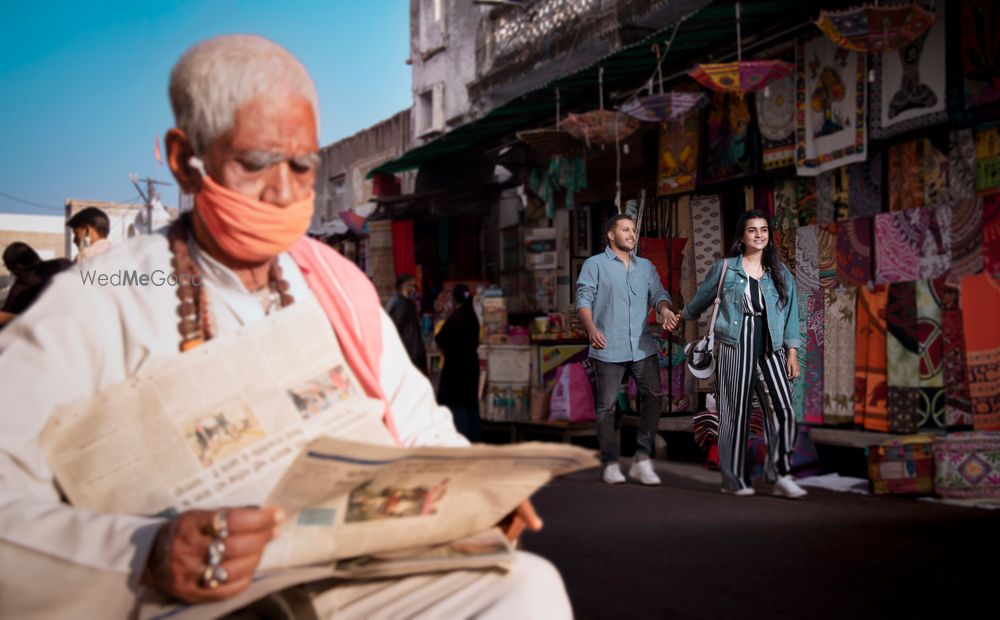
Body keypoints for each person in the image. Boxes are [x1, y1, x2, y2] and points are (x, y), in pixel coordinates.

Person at [0, 35, 571, 618]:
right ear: (183, 160)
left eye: (301, 166)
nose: (282, 191)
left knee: (524, 586)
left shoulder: (335, 288)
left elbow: (419, 427)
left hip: (348, 585)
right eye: (254, 162)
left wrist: (480, 498)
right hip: (186, 601)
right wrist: (146, 553)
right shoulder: (103, 299)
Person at [680, 209, 807, 499]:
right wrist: (679, 315)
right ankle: (734, 477)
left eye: (763, 229)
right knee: (734, 414)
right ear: (741, 236)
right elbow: (699, 302)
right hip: (734, 345)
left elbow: (791, 315)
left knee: (783, 409)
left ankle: (780, 473)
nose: (759, 235)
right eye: (752, 230)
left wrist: (792, 353)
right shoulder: (726, 269)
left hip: (771, 346)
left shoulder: (780, 272)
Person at [576, 214, 680, 485]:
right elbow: (583, 298)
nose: (632, 234)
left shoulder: (645, 267)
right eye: (626, 229)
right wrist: (591, 328)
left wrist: (665, 309)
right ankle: (610, 462)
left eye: (634, 229)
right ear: (611, 235)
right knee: (607, 407)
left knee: (655, 396)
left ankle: (642, 459)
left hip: (642, 345)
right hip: (608, 344)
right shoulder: (594, 264)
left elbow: (658, 293)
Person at [435, 283, 482, 441]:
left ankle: (463, 441)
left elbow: (441, 338)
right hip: (470, 367)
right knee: (471, 405)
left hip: (457, 368)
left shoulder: (457, 317)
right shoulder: (472, 316)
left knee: (458, 407)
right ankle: (474, 440)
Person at [0, 242, 71, 327]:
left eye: (10, 269)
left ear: (18, 269)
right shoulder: (64, 264)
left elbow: (6, 325)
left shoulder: (20, 288)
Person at [386, 273, 427, 374]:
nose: (415, 289)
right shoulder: (399, 303)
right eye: (412, 285)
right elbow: (396, 327)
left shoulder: (407, 301)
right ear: (405, 286)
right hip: (408, 350)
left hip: (414, 349)